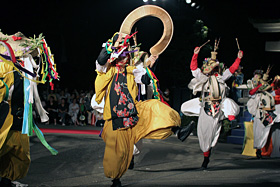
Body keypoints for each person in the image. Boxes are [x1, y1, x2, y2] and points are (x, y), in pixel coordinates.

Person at [95, 31, 194, 187]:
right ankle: (116, 179)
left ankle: (178, 131)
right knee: (119, 154)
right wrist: (113, 45)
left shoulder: (131, 71)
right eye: (121, 55)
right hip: (115, 118)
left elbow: (146, 79)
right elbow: (101, 60)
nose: (125, 57)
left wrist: (151, 64)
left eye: (126, 55)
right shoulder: (106, 70)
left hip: (134, 112)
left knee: (154, 106)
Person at [181, 43, 243, 170]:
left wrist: (239, 58)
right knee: (204, 135)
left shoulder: (222, 78)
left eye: (215, 68)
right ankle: (206, 157)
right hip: (204, 107)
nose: (214, 70)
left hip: (218, 108)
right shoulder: (203, 78)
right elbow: (193, 69)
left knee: (228, 102)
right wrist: (195, 54)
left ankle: (232, 121)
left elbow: (232, 69)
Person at [247, 68, 280, 158]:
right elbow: (251, 92)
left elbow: (275, 92)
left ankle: (262, 150)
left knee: (265, 132)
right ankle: (258, 150)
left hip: (267, 112)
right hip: (259, 113)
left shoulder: (268, 92)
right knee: (258, 132)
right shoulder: (255, 89)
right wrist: (259, 86)